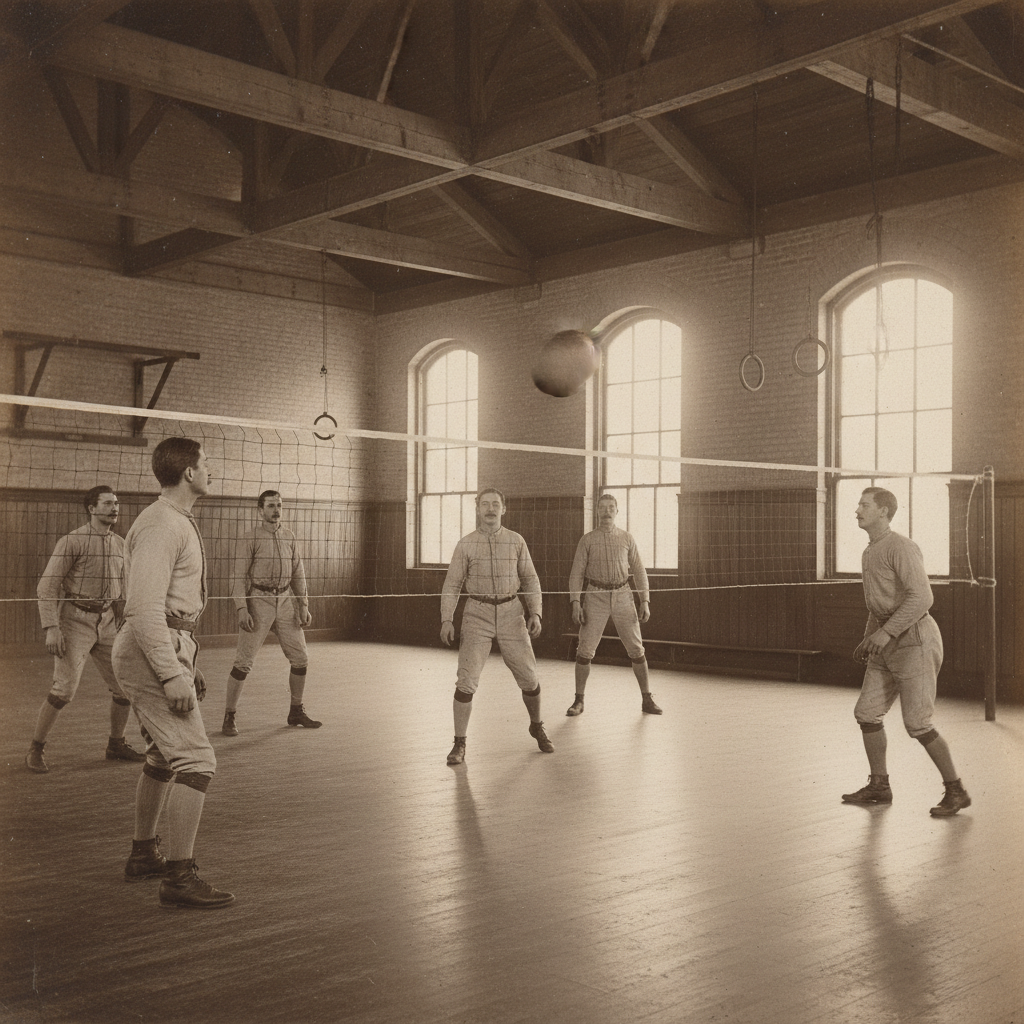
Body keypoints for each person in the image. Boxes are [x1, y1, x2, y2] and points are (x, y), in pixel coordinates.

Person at [112, 437, 234, 908]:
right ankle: (179, 878)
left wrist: (187, 665)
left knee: (165, 755)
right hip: (148, 647)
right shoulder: (163, 524)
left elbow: (168, 612)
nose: (212, 471)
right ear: (189, 472)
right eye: (207, 464)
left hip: (166, 642)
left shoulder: (173, 519)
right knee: (198, 761)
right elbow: (143, 610)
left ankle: (144, 855)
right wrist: (169, 674)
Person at [842, 487, 971, 817]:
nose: (857, 510)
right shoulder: (870, 551)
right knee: (867, 713)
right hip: (886, 642)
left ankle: (956, 790)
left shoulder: (901, 547)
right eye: (858, 504)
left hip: (916, 640)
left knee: (918, 723)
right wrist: (868, 638)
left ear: (884, 511)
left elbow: (923, 598)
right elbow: (878, 605)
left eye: (864, 505)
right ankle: (879, 785)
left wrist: (885, 633)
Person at [26, 485, 145, 773]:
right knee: (64, 690)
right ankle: (36, 749)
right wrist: (52, 627)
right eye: (107, 503)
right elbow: (48, 586)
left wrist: (123, 617)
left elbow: (124, 588)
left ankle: (115, 744)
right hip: (74, 620)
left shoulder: (120, 543)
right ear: (92, 509)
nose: (114, 508)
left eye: (116, 503)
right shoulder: (72, 541)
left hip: (107, 622)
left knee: (124, 687)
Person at [440, 487, 553, 765]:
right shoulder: (465, 544)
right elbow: (452, 584)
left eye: (496, 504)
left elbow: (530, 579)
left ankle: (536, 725)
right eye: (485, 504)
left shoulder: (516, 541)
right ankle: (459, 743)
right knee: (466, 680)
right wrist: (446, 618)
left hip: (511, 612)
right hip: (476, 613)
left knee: (529, 677)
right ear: (477, 508)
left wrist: (535, 613)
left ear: (504, 508)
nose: (490, 509)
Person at [221, 489, 320, 735]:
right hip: (259, 600)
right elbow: (238, 575)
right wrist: (242, 608)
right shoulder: (250, 538)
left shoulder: (289, 536)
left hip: (286, 600)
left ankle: (296, 710)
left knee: (301, 659)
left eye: (279, 506)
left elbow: (298, 572)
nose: (276, 511)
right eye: (271, 506)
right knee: (243, 662)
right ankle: (229, 716)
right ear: (260, 510)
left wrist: (303, 604)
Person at [566, 493, 661, 717]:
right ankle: (578, 700)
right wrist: (575, 602)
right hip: (595, 596)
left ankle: (647, 699)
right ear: (597, 511)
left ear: (617, 512)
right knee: (585, 650)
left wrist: (645, 600)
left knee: (637, 649)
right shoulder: (587, 540)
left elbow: (639, 570)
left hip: (623, 595)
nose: (607, 511)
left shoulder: (627, 538)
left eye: (611, 507)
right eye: (603, 507)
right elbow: (576, 573)